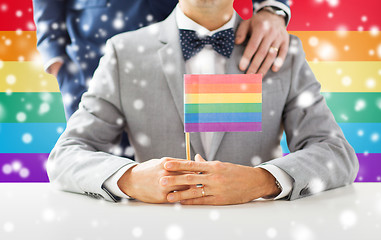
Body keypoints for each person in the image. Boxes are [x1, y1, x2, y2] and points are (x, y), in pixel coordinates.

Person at [47, 0, 358, 205]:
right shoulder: (124, 51)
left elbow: (336, 153)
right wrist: (129, 179)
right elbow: (67, 155)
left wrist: (261, 181)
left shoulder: (282, 52)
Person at [33, 0, 291, 119]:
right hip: (93, 43)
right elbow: (78, 156)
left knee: (217, 157)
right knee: (98, 167)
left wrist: (272, 7)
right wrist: (52, 50)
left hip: (201, 30)